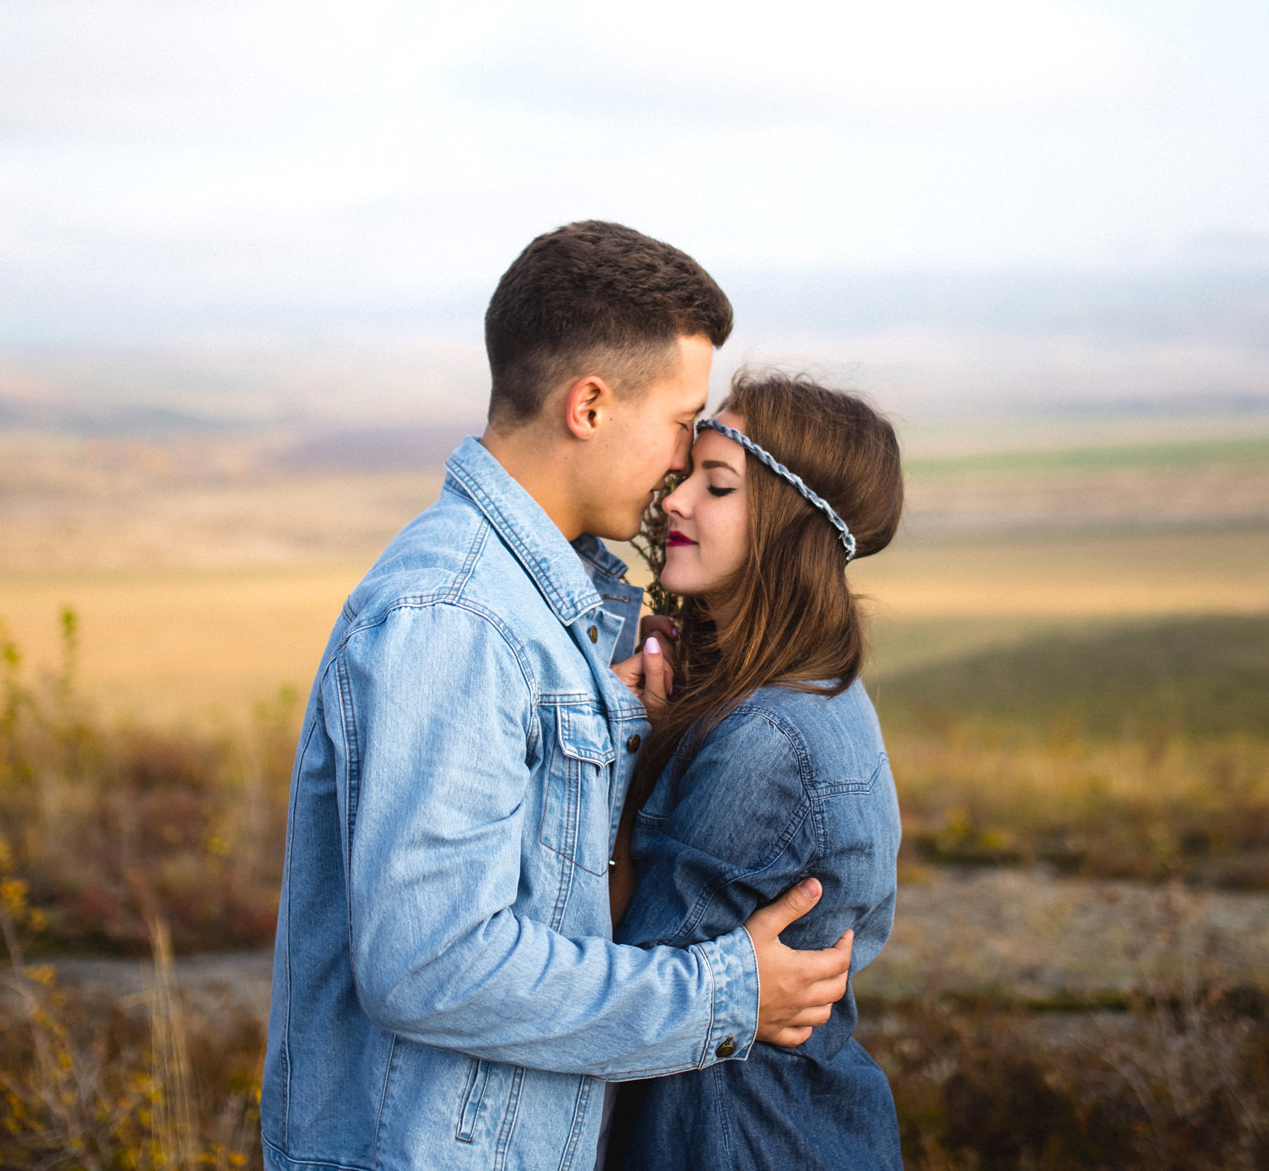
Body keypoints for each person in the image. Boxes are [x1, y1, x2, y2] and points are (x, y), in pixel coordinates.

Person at [262, 222, 857, 1171]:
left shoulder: (528, 616)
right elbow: (432, 964)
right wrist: (724, 996)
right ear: (588, 405)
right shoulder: (458, 617)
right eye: (679, 421)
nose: (680, 465)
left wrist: (616, 732)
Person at [608, 372, 908, 1170]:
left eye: (718, 486)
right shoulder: (816, 693)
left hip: (737, 1140)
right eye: (686, 477)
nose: (675, 502)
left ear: (786, 527)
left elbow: (637, 992)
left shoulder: (766, 739)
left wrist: (616, 763)